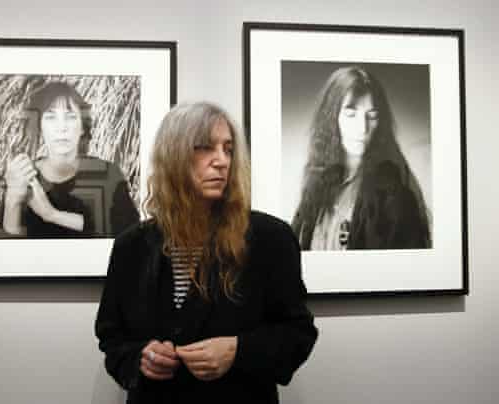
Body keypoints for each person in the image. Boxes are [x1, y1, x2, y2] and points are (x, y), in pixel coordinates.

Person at [95, 102, 318, 403]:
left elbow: (298, 333)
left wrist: (238, 351)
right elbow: (112, 337)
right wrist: (140, 358)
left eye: (228, 149)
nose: (222, 161)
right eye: (204, 148)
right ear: (172, 156)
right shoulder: (131, 247)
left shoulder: (270, 239)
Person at [290, 66, 431, 250]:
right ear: (331, 118)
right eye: (350, 114)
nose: (362, 128)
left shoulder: (395, 197)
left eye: (371, 116)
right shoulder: (317, 184)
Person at [2, 81, 139, 238]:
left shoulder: (108, 174)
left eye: (70, 117)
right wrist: (13, 197)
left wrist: (52, 214)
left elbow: (130, 231)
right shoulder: (23, 174)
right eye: (51, 117)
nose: (62, 127)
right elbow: (8, 246)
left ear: (82, 127)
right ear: (40, 127)